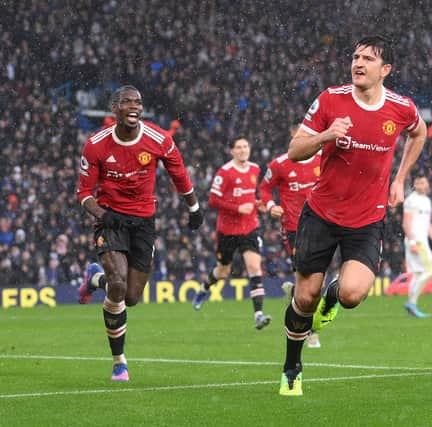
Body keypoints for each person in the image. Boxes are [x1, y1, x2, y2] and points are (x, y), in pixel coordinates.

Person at [278, 35, 428, 396]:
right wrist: (327, 135)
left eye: (368, 59)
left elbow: (419, 133)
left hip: (366, 219)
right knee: (303, 299)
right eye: (355, 57)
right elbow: (295, 151)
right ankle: (291, 367)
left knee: (351, 295)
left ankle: (334, 295)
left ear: (385, 70)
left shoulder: (401, 108)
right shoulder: (331, 100)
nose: (358, 64)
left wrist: (401, 178)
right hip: (321, 214)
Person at [76, 85, 203, 381]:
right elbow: (84, 193)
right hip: (110, 220)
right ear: (114, 108)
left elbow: (179, 174)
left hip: (144, 222)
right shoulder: (96, 145)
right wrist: (105, 216)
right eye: (127, 102)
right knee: (117, 285)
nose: (134, 106)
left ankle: (95, 278)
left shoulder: (160, 139)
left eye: (138, 102)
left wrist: (195, 208)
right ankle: (119, 360)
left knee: (131, 297)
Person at [192, 137, 272, 330]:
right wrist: (237, 208)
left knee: (254, 268)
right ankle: (204, 288)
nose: (243, 150)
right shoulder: (225, 172)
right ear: (232, 151)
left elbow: (251, 195)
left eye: (246, 146)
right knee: (223, 271)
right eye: (239, 147)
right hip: (227, 231)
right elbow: (212, 201)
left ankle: (258, 315)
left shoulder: (255, 169)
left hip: (250, 228)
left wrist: (257, 204)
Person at [258, 123, 322, 348]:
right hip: (294, 228)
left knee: (315, 280)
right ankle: (311, 330)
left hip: (322, 226)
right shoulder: (280, 164)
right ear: (293, 134)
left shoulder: (322, 159)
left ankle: (294, 294)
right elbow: (264, 188)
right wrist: (270, 205)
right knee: (309, 279)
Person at [402, 172, 432, 318]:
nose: (423, 185)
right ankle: (412, 303)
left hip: (422, 241)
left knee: (419, 273)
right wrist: (412, 242)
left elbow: (428, 225)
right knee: (431, 270)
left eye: (424, 183)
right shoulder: (410, 200)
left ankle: (411, 306)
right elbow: (406, 223)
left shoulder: (426, 201)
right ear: (414, 185)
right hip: (416, 241)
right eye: (419, 183)